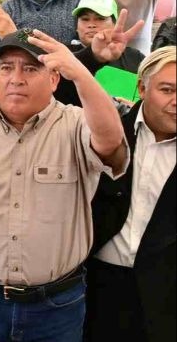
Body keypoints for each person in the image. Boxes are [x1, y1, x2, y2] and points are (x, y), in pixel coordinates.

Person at [0, 27, 129, 341]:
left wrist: (81, 74)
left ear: (55, 79)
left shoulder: (78, 124)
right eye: (6, 68)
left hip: (56, 307)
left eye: (31, 68)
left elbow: (111, 143)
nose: (16, 78)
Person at [87, 46, 176, 342]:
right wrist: (91, 56)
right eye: (167, 89)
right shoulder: (107, 133)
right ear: (142, 87)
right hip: (98, 287)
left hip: (164, 298)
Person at [71, 0, 145, 74]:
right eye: (85, 19)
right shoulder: (64, 54)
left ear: (115, 24)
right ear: (76, 26)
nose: (91, 25)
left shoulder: (135, 58)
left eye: (100, 18)